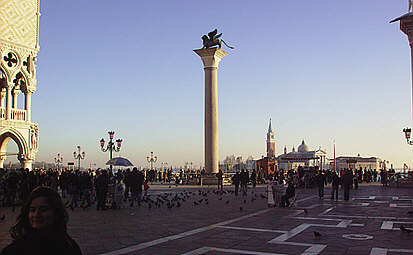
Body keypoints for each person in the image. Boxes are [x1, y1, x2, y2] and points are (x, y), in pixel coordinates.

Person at [0, 186, 82, 255]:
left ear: (56, 213)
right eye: (32, 210)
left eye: (43, 210)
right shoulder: (14, 250)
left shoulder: (69, 249)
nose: (36, 215)